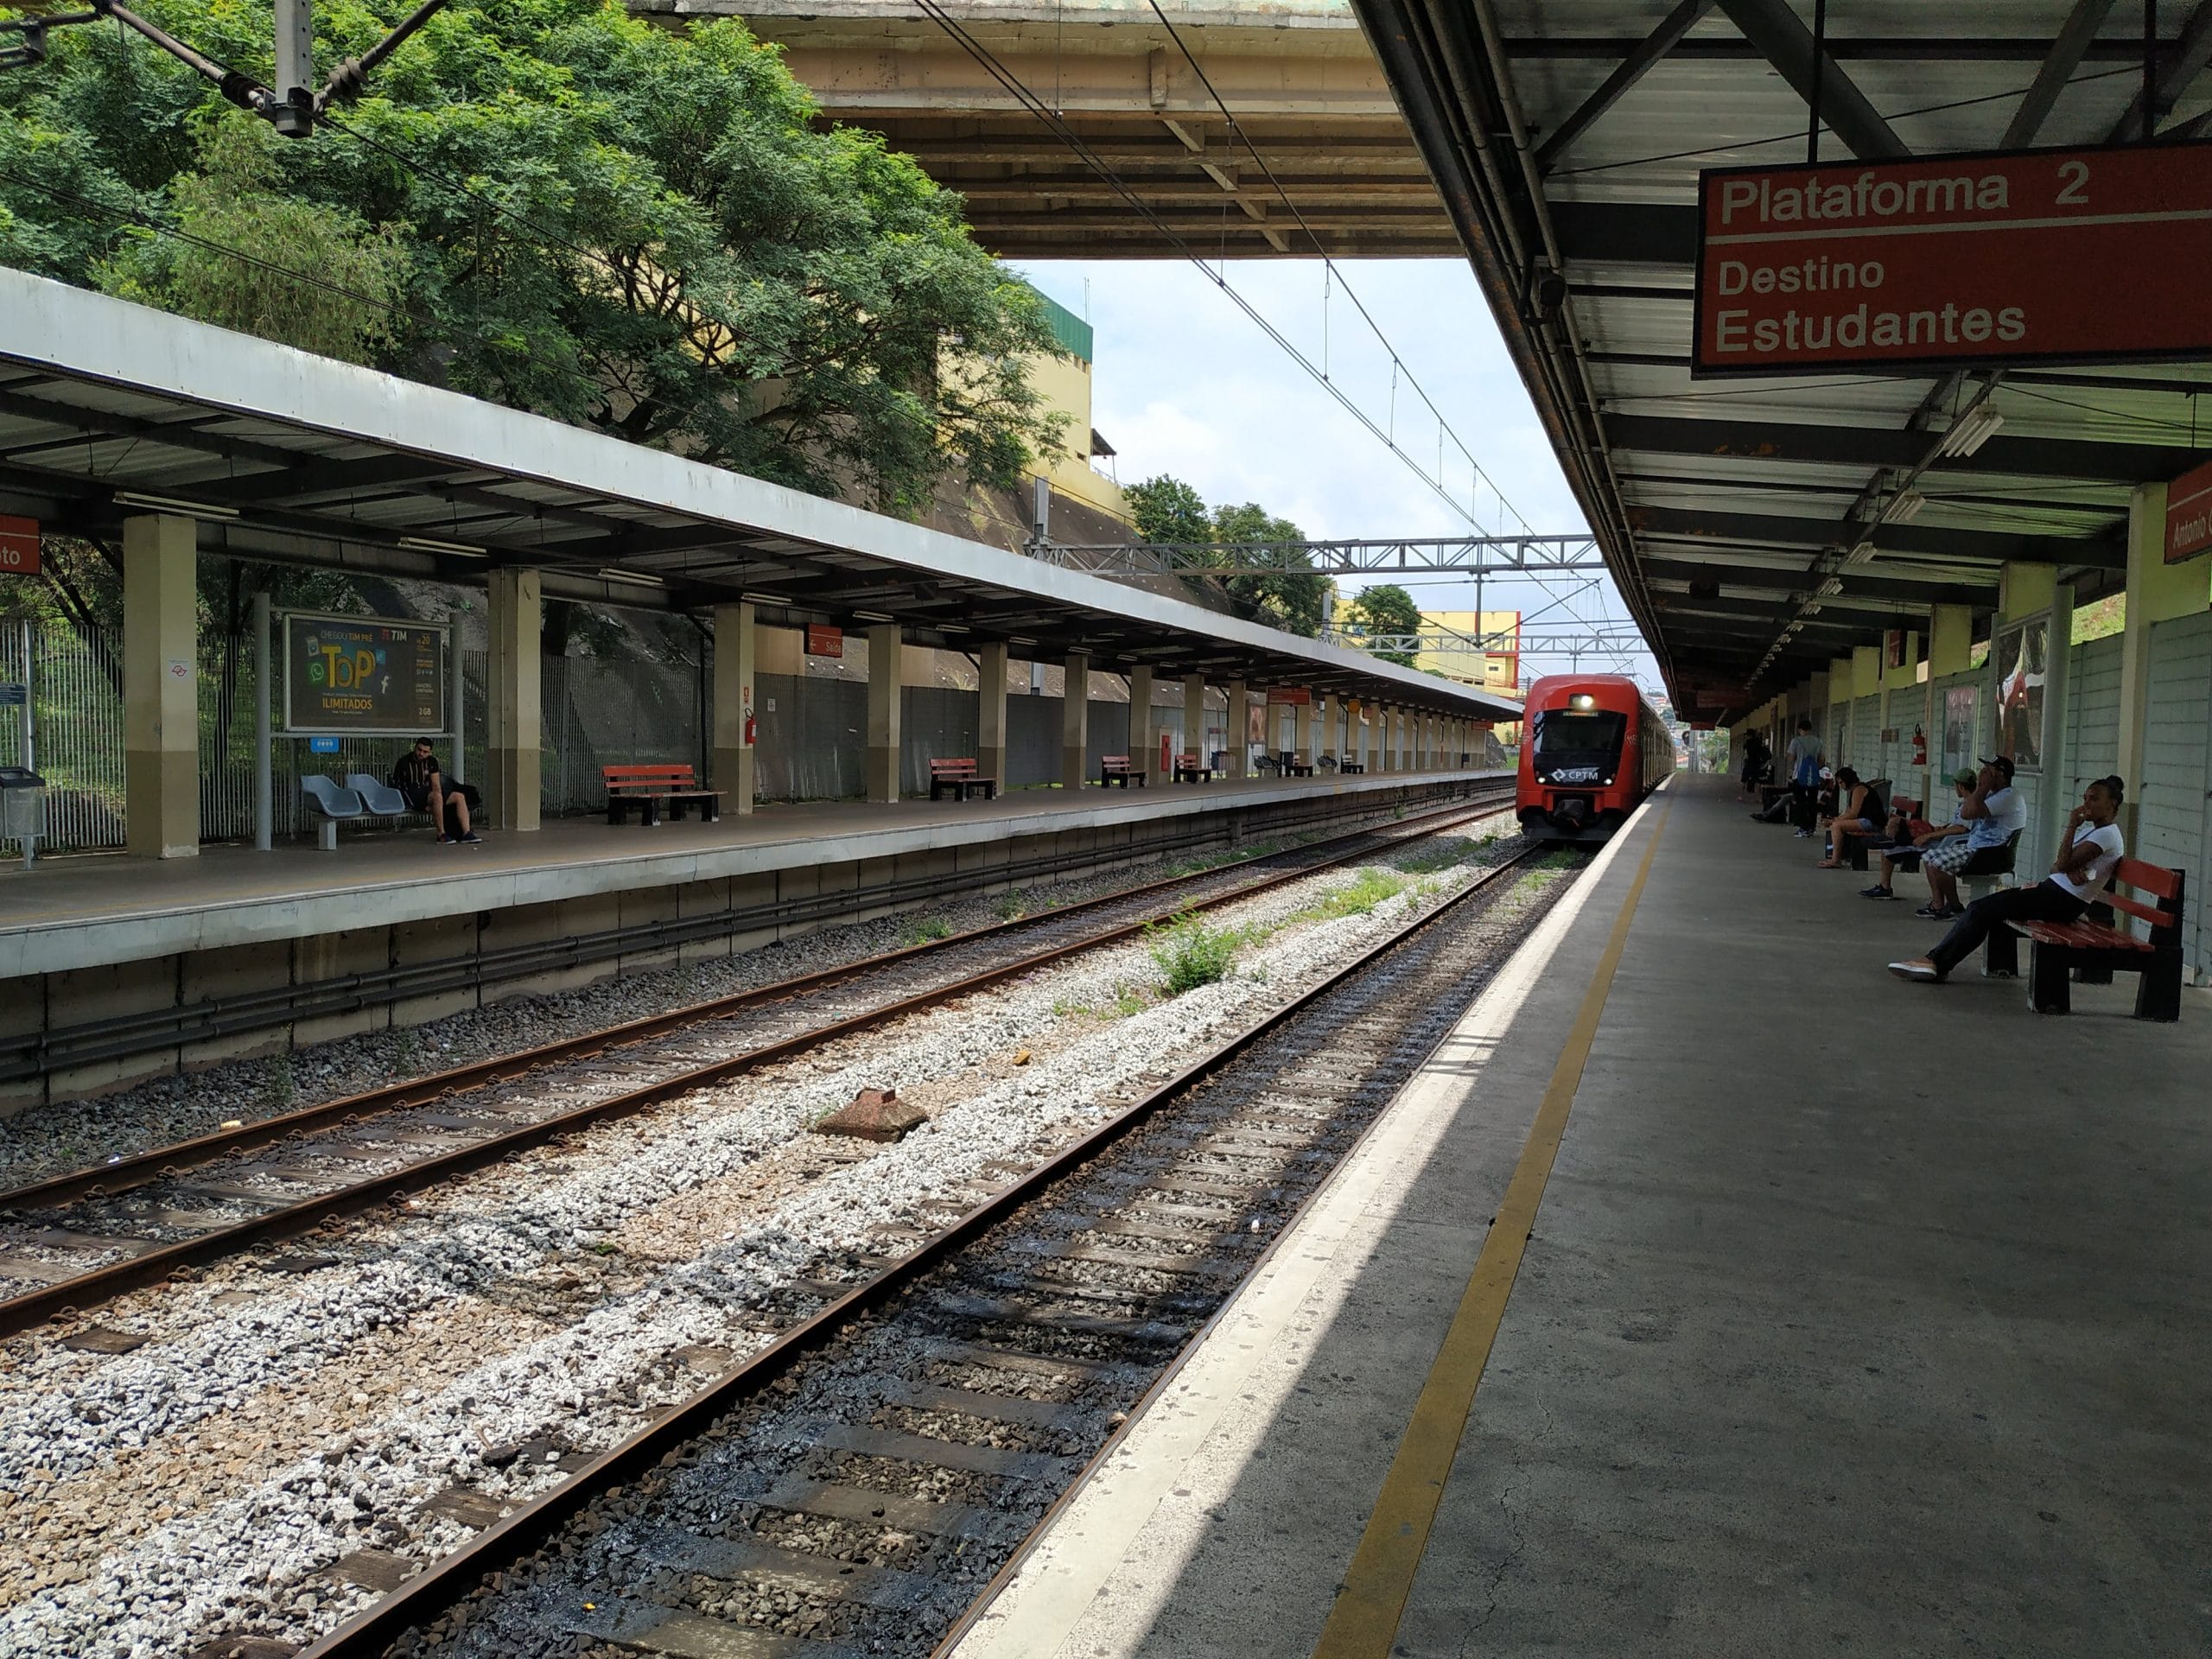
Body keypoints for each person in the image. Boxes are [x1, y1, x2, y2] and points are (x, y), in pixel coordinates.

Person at [1887, 775, 2126, 985]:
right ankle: (1936, 962)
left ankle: (1936, 962)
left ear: (2112, 804)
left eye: (2094, 799)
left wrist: (2071, 829)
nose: (2086, 804)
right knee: (1985, 908)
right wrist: (2066, 867)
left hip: (2063, 900)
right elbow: (2056, 866)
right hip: (2054, 891)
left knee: (1981, 909)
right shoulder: (2095, 831)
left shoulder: (2107, 834)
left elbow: (2061, 864)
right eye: (2085, 798)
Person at [1910, 755, 2025, 918]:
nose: (1983, 773)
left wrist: (1982, 787)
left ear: (2000, 774)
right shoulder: (1994, 795)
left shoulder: (2009, 797)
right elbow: (1967, 809)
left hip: (1991, 853)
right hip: (1978, 847)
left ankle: (1955, 906)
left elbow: (1968, 813)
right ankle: (1939, 904)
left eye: (1988, 770)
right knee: (1929, 857)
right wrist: (1983, 788)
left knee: (1938, 863)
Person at [1860, 767, 1974, 900]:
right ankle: (1885, 882)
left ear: (1960, 786)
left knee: (1893, 843)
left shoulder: (1971, 805)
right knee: (1890, 844)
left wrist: (1928, 836)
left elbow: (1961, 829)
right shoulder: (1966, 803)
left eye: (1955, 785)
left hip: (1944, 844)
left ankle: (1938, 902)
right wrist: (1942, 828)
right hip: (1943, 839)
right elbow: (1958, 826)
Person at [389, 736, 480, 843]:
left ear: (430, 752)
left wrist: (436, 799)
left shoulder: (432, 762)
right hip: (413, 795)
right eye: (419, 750)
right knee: (437, 797)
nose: (421, 754)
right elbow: (398, 785)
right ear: (415, 748)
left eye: (425, 752)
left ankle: (466, 833)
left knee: (459, 796)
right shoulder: (404, 762)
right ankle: (441, 834)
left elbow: (436, 784)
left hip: (429, 794)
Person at [1815, 766, 1885, 868]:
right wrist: (1834, 820)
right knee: (1836, 824)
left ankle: (1835, 860)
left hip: (1872, 822)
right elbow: (1848, 811)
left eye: (1840, 782)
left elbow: (1853, 814)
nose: (1840, 785)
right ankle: (1841, 856)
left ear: (1846, 780)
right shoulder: (1854, 790)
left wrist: (1834, 822)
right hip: (1866, 820)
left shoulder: (1859, 790)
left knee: (1837, 826)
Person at [1781, 718, 1823, 838]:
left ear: (1800, 730)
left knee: (1800, 802)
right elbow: (1821, 760)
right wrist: (1813, 769)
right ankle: (1812, 827)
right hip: (1813, 776)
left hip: (1798, 775)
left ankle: (1803, 827)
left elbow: (1790, 757)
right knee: (1812, 802)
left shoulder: (1796, 741)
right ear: (1810, 729)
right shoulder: (1818, 742)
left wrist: (1795, 765)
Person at [1738, 730, 1771, 801]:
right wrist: (1764, 765)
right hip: (1757, 764)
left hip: (1749, 763)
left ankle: (1741, 796)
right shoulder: (1759, 743)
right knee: (1757, 781)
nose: (1746, 736)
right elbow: (1766, 755)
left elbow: (1745, 753)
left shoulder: (1748, 743)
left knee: (1744, 780)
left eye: (1747, 735)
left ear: (1750, 735)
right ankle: (1758, 798)